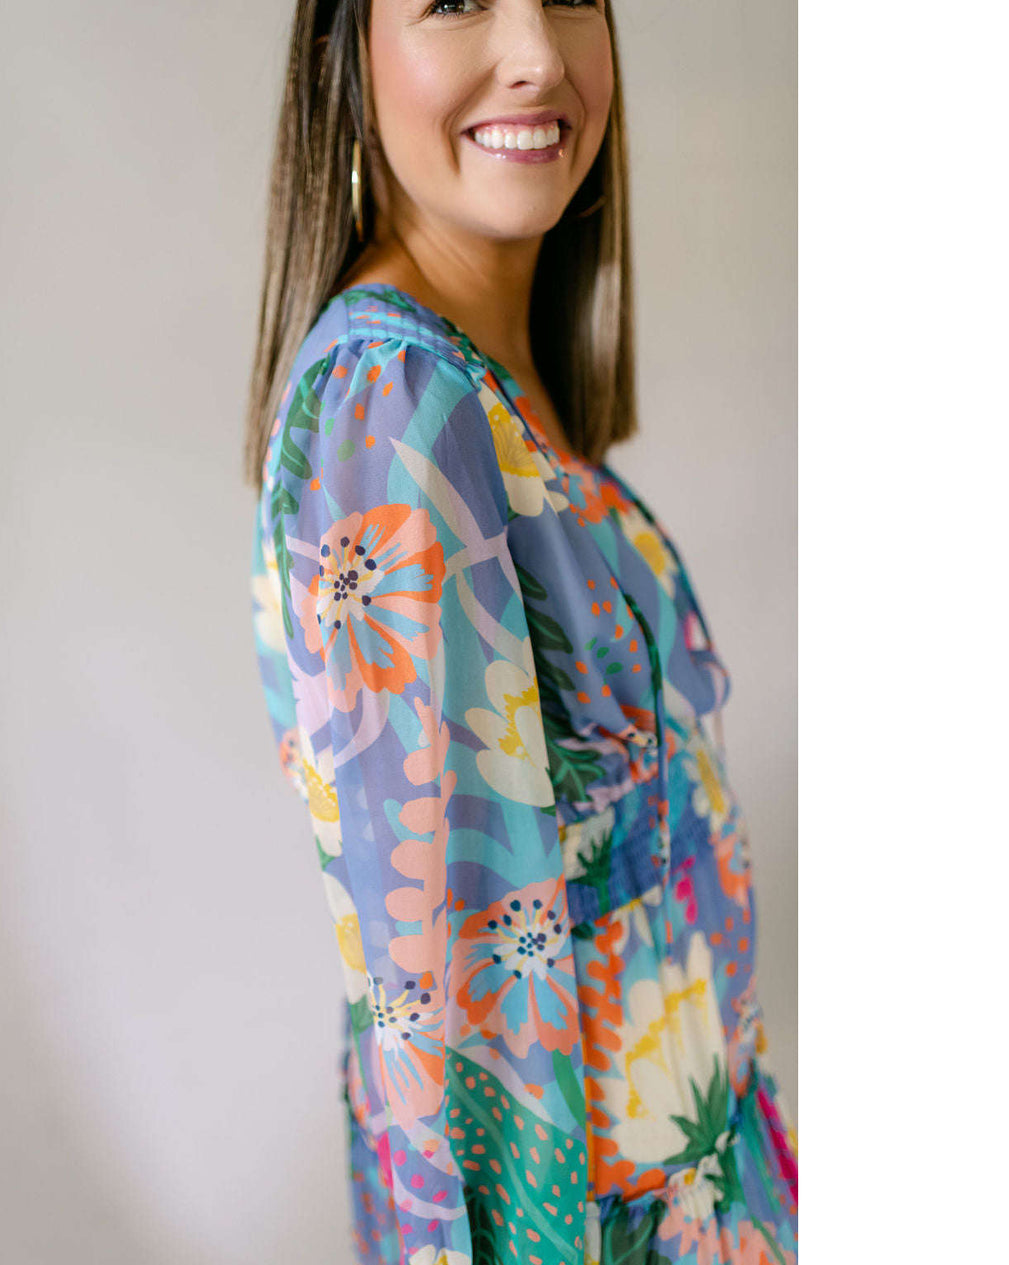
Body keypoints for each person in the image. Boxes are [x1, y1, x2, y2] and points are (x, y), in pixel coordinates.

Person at [245, 3, 798, 1262]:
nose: (539, 53)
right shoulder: (395, 412)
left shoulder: (483, 380)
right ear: (346, 52)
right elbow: (466, 1035)